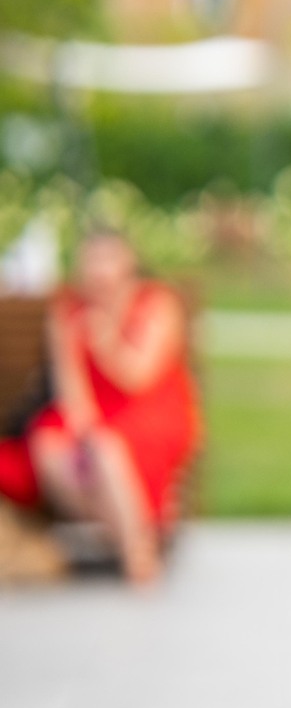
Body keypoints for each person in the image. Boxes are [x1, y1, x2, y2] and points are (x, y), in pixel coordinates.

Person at [0, 228, 201, 584]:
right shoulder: (68, 311)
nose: (98, 270)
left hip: (146, 414)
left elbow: (138, 377)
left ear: (128, 262)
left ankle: (137, 553)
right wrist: (83, 429)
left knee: (108, 448)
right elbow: (70, 389)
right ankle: (133, 537)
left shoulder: (156, 303)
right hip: (93, 414)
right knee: (53, 445)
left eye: (107, 259)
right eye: (91, 260)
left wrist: (105, 338)